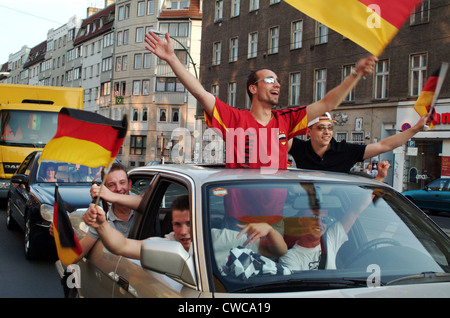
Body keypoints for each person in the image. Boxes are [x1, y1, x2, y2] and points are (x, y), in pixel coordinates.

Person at [145, 31, 377, 170]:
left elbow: (327, 104)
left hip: (276, 219)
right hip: (240, 217)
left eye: (277, 80)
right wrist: (172, 59)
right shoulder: (235, 118)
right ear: (253, 88)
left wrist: (355, 75)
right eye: (269, 79)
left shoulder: (286, 120)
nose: (276, 84)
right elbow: (200, 92)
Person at [83, 195, 287, 261]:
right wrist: (101, 225)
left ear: (201, 222)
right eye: (177, 224)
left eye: (190, 224)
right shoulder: (168, 244)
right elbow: (121, 246)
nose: (182, 231)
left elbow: (278, 251)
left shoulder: (222, 237)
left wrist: (270, 230)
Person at [279, 161, 390, 271]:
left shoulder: (330, 240)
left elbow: (354, 211)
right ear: (301, 220)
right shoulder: (289, 257)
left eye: (324, 219)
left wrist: (379, 179)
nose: (319, 223)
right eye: (314, 217)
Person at [50, 163, 137, 263]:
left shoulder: (148, 208)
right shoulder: (101, 221)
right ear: (105, 189)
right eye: (112, 185)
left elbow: (142, 202)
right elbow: (74, 257)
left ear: (129, 184)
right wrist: (61, 236)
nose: (118, 188)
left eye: (122, 183)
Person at [288, 112, 431, 173]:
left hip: (338, 212)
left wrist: (415, 129)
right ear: (308, 131)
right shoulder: (299, 147)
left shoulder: (346, 150)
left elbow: (383, 145)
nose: (327, 132)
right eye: (320, 128)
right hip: (305, 211)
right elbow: (275, 133)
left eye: (330, 128)